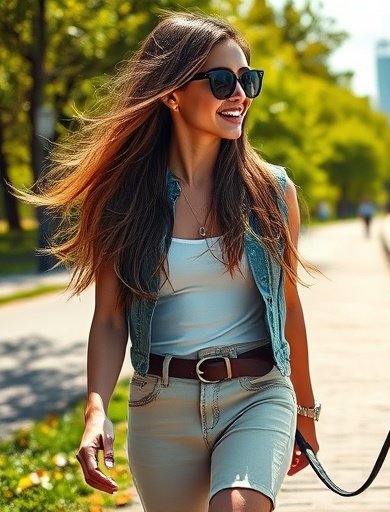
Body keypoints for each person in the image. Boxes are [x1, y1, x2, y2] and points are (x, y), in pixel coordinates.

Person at [20, 12, 320, 512]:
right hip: (162, 406)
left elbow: (288, 307)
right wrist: (96, 409)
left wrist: (305, 411)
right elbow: (111, 318)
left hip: (257, 393)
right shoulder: (124, 199)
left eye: (248, 80)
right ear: (171, 93)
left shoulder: (271, 191)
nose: (240, 94)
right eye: (223, 80)